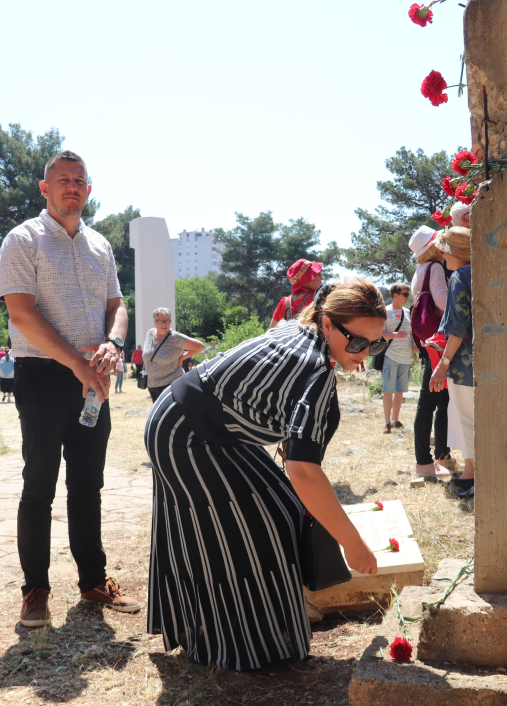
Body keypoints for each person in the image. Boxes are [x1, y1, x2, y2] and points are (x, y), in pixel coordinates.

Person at [144, 279, 386, 670]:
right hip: (184, 435)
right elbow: (304, 473)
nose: (366, 354)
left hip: (205, 426)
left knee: (282, 508)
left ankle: (260, 625)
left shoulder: (305, 334)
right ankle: (243, 643)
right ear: (327, 324)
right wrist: (352, 545)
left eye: (376, 344)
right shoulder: (315, 368)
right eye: (357, 342)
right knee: (256, 527)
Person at [0, 149, 139, 629]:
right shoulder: (23, 240)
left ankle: (93, 581)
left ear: (89, 189)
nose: (72, 186)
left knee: (88, 485)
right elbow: (21, 314)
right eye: (63, 179)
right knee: (39, 484)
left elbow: (117, 304)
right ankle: (35, 588)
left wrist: (116, 342)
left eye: (79, 179)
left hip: (93, 378)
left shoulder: (99, 245)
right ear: (45, 188)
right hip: (42, 375)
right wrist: (77, 363)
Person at [429, 226, 475, 496]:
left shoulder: (459, 276)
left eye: (444, 252)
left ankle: (476, 478)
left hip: (463, 364)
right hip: (483, 362)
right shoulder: (479, 273)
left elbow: (458, 327)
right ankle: (471, 474)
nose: (442, 257)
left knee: (467, 420)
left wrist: (442, 364)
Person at [409, 225, 457, 478]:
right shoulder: (436, 268)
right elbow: (442, 301)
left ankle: (440, 456)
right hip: (438, 342)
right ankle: (426, 462)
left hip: (427, 342)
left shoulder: (419, 271)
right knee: (431, 403)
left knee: (438, 401)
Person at [141, 308, 205, 403]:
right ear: (155, 322)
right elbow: (148, 356)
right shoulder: (150, 334)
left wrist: (182, 357)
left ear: (170, 321)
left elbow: (200, 346)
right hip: (152, 385)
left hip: (171, 384)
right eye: (160, 321)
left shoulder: (175, 337)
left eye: (166, 321)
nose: (164, 324)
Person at [381, 283, 413, 434]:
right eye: (405, 294)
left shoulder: (407, 312)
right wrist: (394, 335)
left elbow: (411, 334)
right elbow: (379, 334)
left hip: (405, 358)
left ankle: (395, 420)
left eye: (408, 294)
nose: (407, 297)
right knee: (388, 391)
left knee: (399, 391)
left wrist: (414, 346)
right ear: (395, 295)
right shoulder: (385, 311)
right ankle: (386, 423)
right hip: (390, 356)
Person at [269, 258, 323, 328]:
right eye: (318, 273)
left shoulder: (284, 302)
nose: (322, 277)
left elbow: (271, 331)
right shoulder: (316, 300)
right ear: (310, 278)